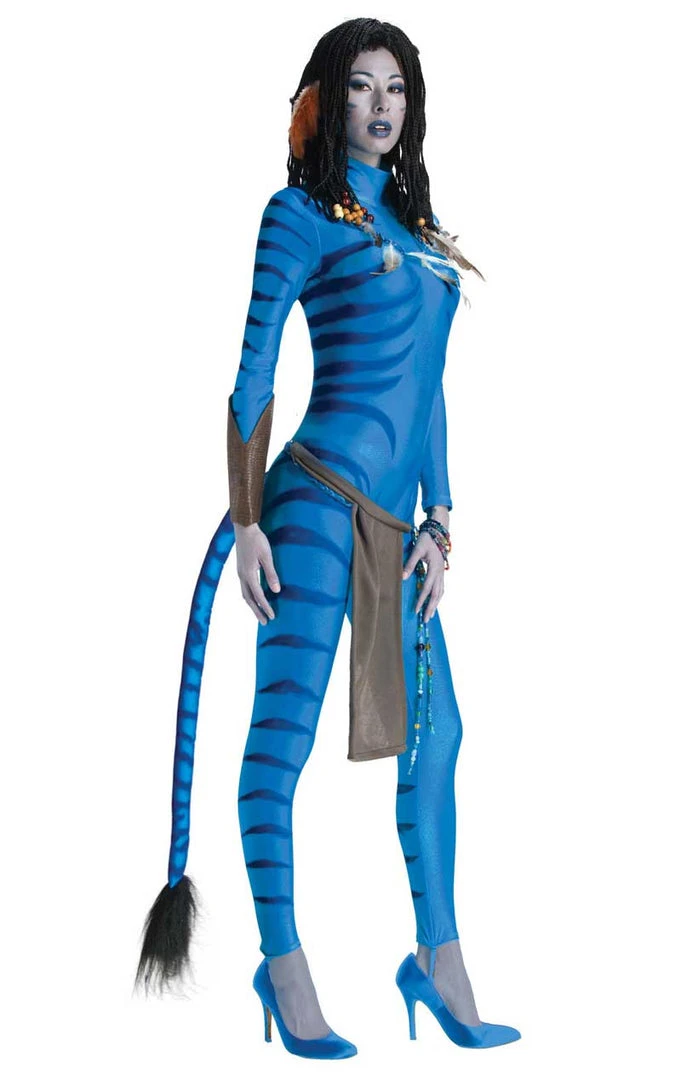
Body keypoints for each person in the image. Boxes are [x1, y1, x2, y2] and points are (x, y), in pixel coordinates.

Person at [133, 18, 521, 1059]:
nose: (381, 105)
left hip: (399, 531)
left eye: (396, 88)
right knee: (284, 740)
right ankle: (285, 967)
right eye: (361, 86)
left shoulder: (419, 230)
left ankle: (437, 962)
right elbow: (251, 376)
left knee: (437, 734)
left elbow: (427, 388)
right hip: (308, 508)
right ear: (326, 98)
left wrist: (441, 519)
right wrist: (246, 518)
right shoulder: (299, 214)